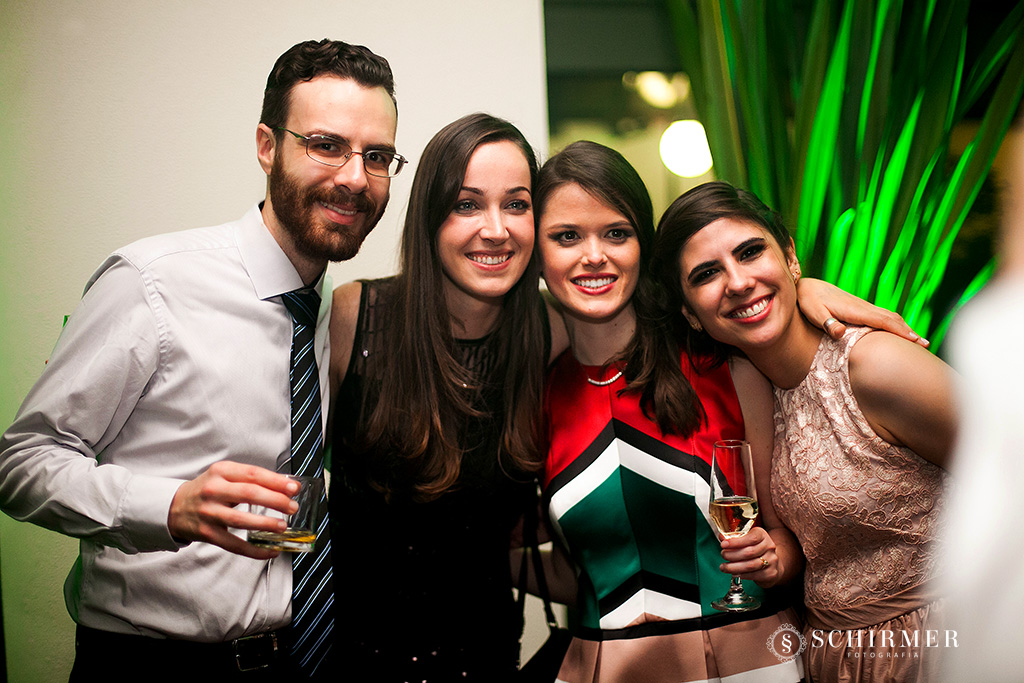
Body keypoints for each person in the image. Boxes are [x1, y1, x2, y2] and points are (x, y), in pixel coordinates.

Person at [0, 38, 402, 681]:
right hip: (151, 666)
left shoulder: (332, 313)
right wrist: (167, 507)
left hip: (295, 661)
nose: (354, 177)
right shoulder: (153, 282)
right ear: (268, 147)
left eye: (376, 156)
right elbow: (21, 462)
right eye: (326, 145)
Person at [654, 180, 955, 683]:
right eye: (707, 274)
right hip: (833, 659)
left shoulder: (873, 366)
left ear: (790, 257)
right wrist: (775, 560)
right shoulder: (750, 390)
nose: (738, 281)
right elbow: (803, 546)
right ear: (691, 314)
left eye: (751, 252)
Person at [535, 141, 805, 682]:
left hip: (746, 666)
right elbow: (579, 573)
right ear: (536, 254)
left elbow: (789, 538)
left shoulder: (725, 367)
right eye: (567, 236)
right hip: (600, 669)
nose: (595, 256)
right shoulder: (534, 396)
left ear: (643, 245)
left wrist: (774, 561)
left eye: (617, 233)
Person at [326, 112, 561, 682]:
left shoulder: (553, 333)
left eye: (516, 204)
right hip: (352, 664)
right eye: (466, 204)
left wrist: (797, 286)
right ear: (431, 217)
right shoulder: (355, 315)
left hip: (486, 661)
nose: (496, 228)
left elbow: (671, 320)